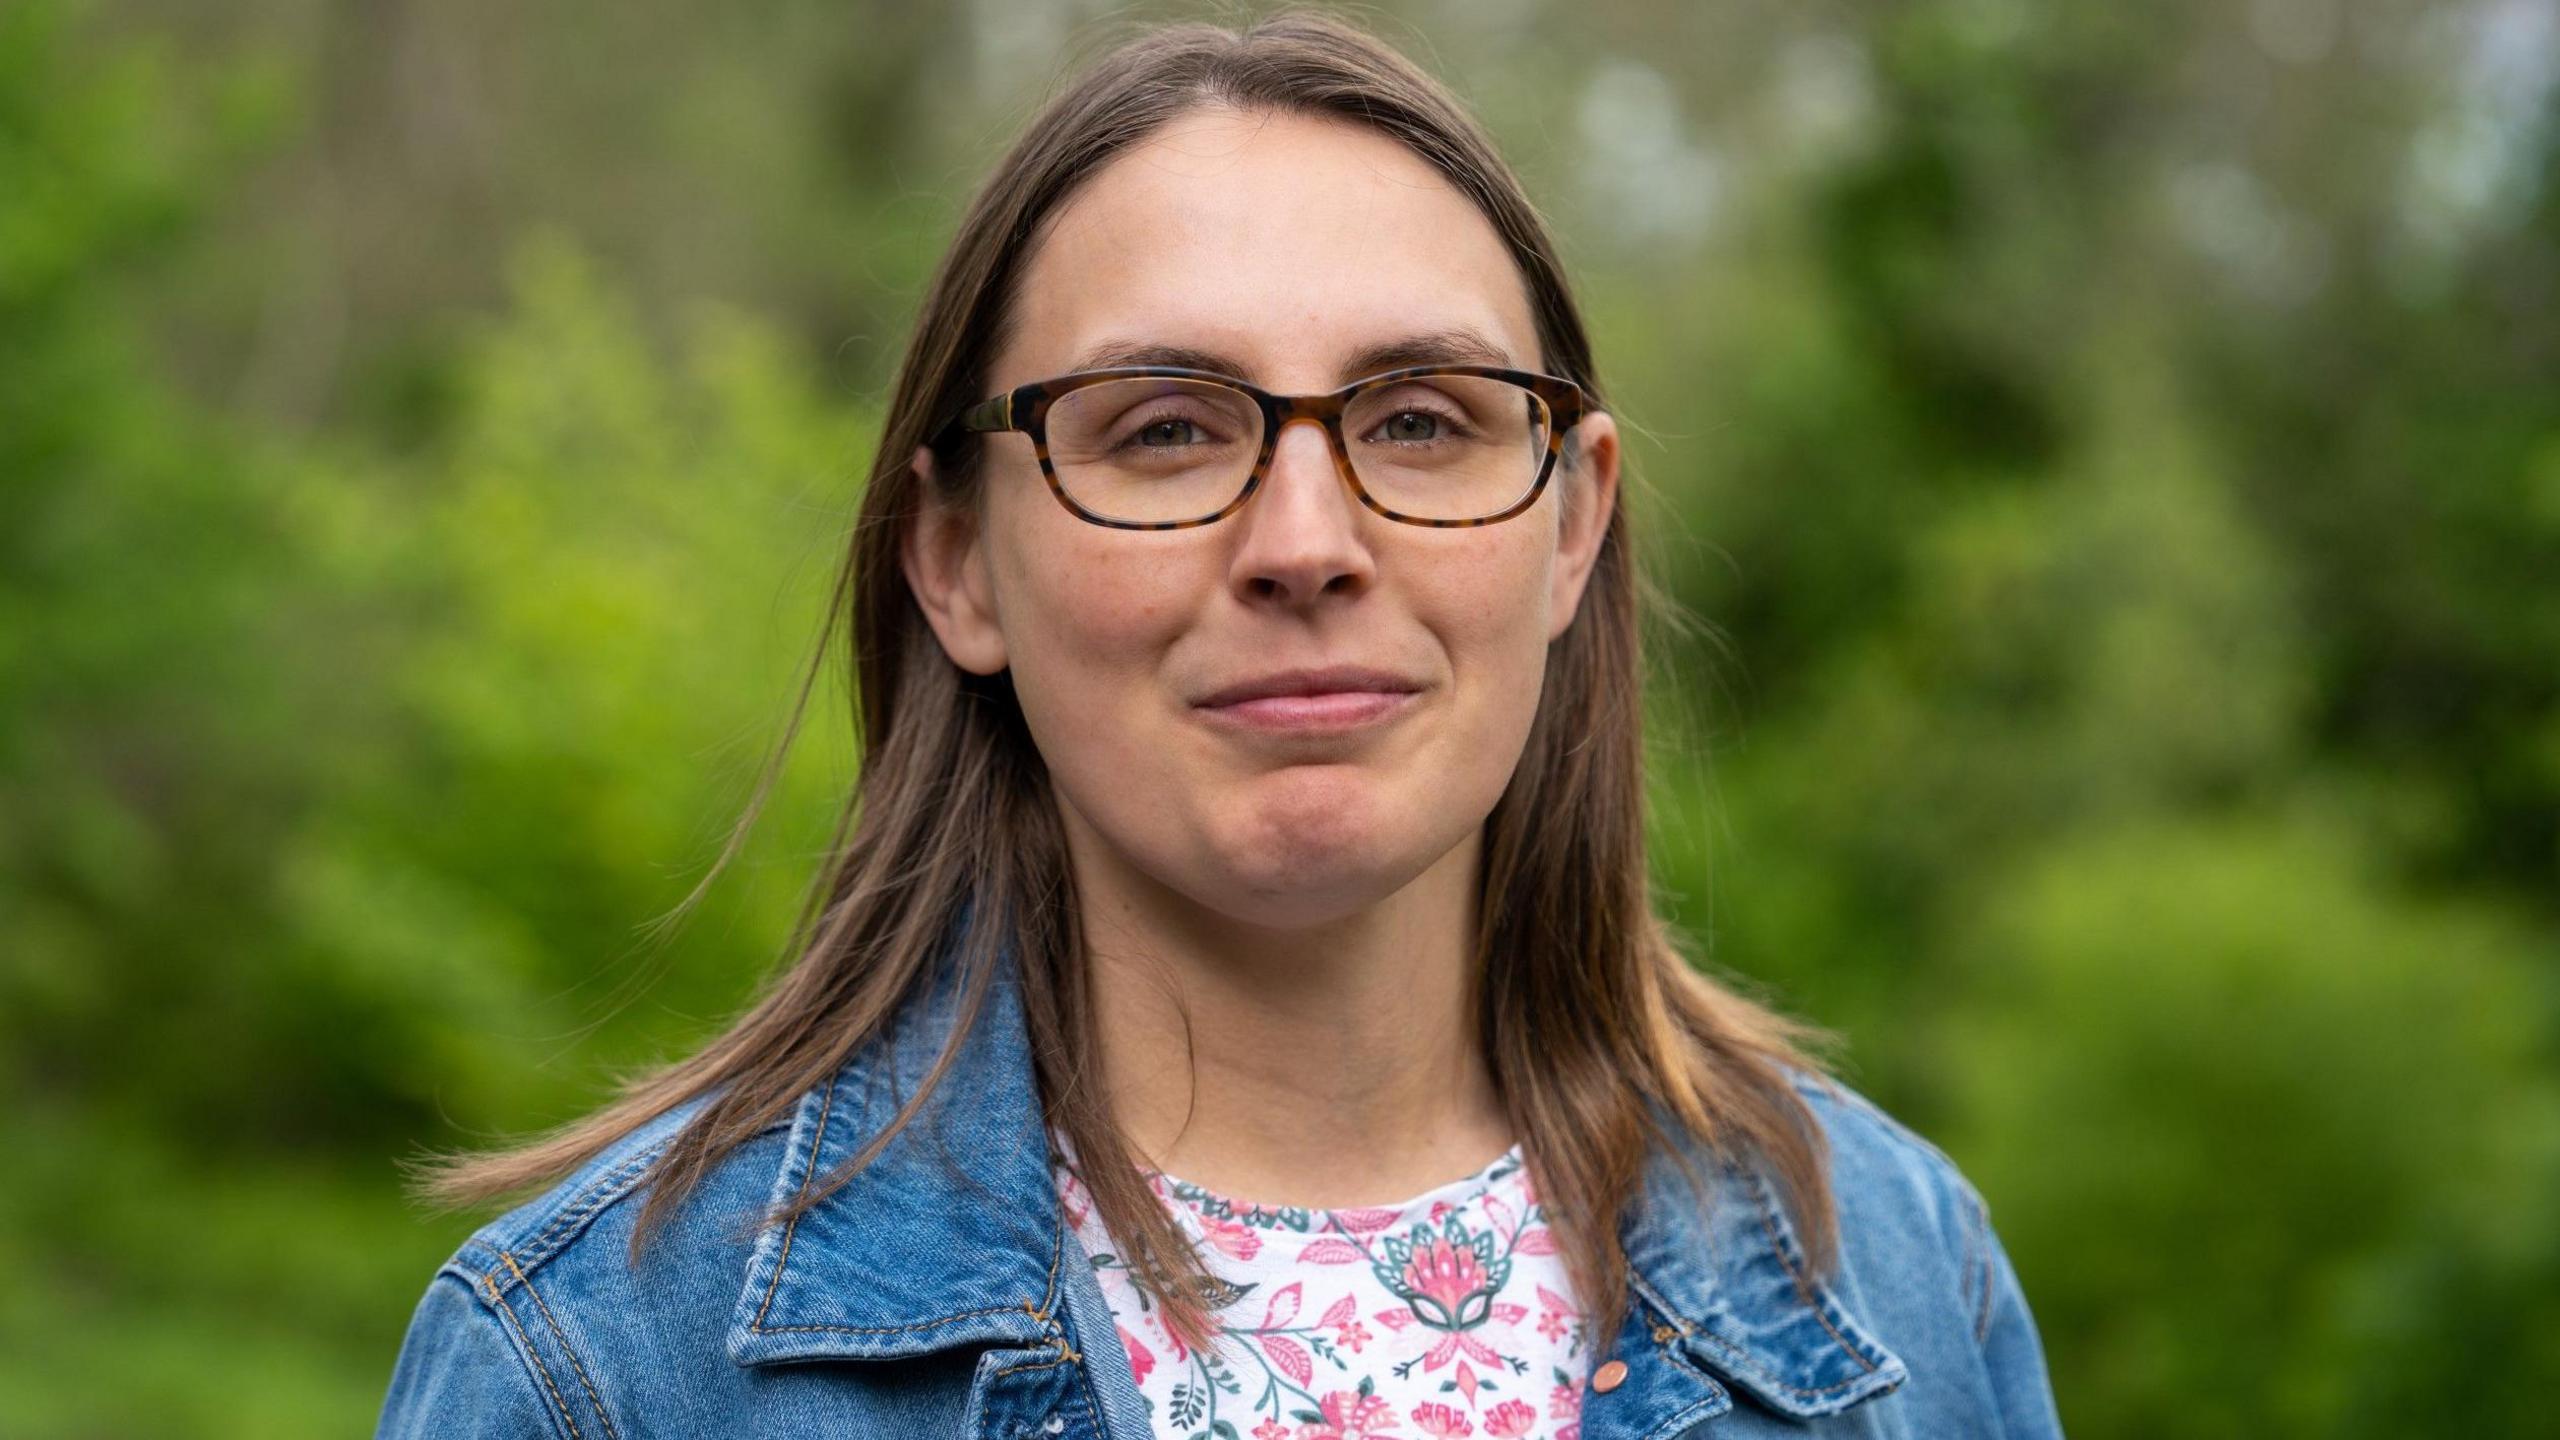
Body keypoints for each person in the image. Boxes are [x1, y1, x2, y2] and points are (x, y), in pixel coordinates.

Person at [375, 11, 2064, 1439]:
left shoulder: (1903, 1275)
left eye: (1421, 420)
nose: (1309, 546)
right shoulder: (602, 1364)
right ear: (959, 562)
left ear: (1569, 523)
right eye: (1167, 431)